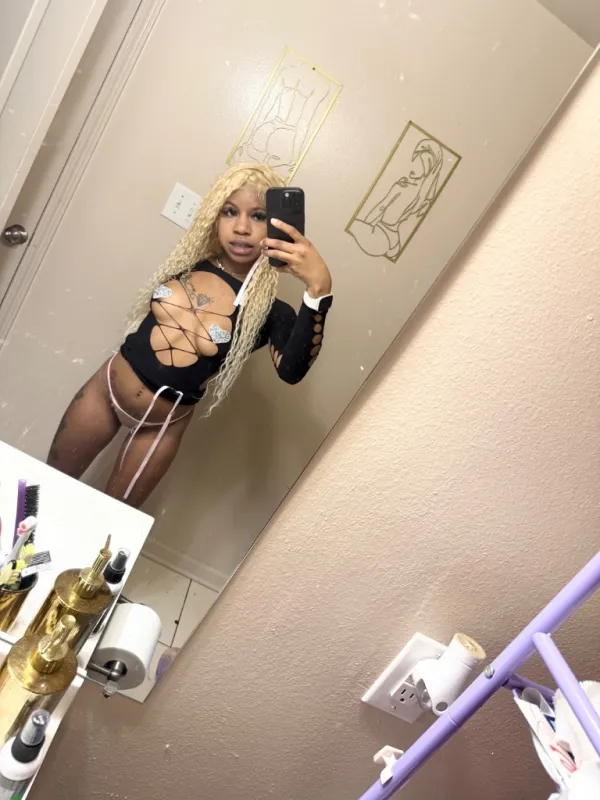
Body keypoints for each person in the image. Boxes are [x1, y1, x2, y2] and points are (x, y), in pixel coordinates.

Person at [47, 164, 333, 507]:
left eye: (257, 216)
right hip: (104, 390)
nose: (241, 227)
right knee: (42, 492)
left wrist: (318, 289)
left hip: (160, 427)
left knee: (111, 525)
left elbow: (291, 371)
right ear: (215, 215)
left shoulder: (271, 313)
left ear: (275, 226)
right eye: (230, 211)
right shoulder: (188, 262)